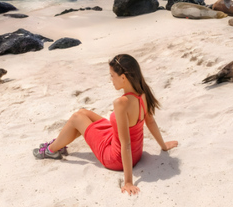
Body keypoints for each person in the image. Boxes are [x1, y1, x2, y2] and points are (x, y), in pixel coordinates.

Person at [33, 54, 178, 195]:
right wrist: (163, 146)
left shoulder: (121, 103)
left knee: (77, 117)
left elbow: (125, 144)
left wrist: (128, 181)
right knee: (84, 112)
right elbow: (150, 122)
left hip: (116, 158)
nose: (111, 80)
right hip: (135, 152)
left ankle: (51, 150)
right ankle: (59, 144)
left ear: (123, 77)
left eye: (112, 75)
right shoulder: (143, 94)